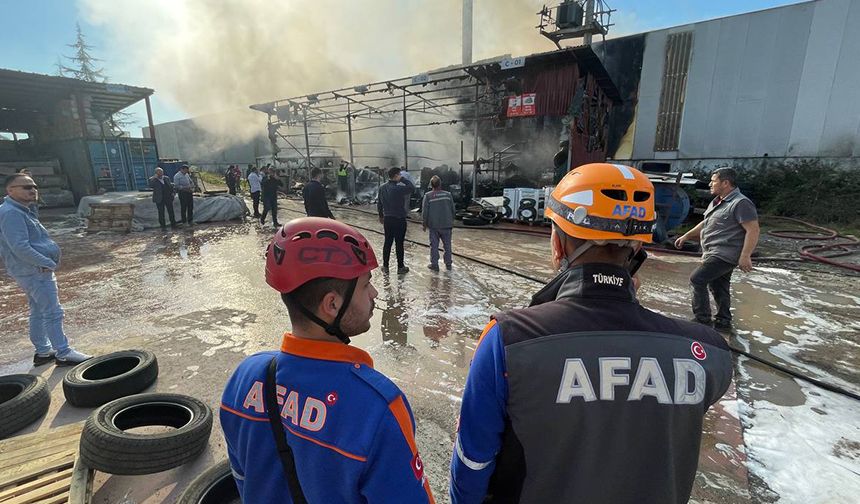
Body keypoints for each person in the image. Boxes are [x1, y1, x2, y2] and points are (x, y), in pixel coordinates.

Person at [450, 163, 733, 504]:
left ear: (558, 243)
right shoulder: (706, 353)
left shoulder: (509, 340)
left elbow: (473, 464)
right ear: (639, 248)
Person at [220, 218, 436, 504]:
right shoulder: (377, 408)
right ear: (332, 305)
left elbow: (243, 477)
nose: (374, 294)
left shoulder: (244, 378)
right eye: (365, 284)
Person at [0, 174, 92, 366]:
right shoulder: (11, 213)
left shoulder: (22, 210)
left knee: (38, 311)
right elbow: (20, 246)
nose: (32, 190)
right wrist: (47, 263)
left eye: (33, 186)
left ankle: (43, 351)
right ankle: (63, 352)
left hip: (32, 269)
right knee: (53, 312)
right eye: (26, 187)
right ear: (10, 190)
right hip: (35, 271)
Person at [674, 168, 760, 331]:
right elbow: (706, 223)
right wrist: (686, 236)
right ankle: (723, 320)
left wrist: (745, 255)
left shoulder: (741, 203)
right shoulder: (717, 201)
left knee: (696, 280)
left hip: (725, 254)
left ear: (725, 183)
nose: (710, 184)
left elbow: (753, 229)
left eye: (713, 181)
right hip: (713, 252)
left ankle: (702, 320)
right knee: (719, 285)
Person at [377, 167, 415, 274]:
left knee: (387, 242)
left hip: (388, 219)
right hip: (399, 219)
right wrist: (402, 179)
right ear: (396, 175)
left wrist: (381, 216)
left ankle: (385, 266)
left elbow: (379, 203)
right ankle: (400, 267)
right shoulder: (398, 188)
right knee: (399, 243)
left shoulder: (382, 188)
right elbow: (412, 187)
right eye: (399, 174)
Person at [421, 175, 454, 271]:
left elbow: (425, 212)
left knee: (434, 245)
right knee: (447, 245)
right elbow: (453, 209)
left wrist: (424, 223)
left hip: (434, 225)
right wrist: (451, 220)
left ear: (431, 185)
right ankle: (448, 264)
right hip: (447, 225)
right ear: (440, 184)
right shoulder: (448, 195)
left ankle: (434, 264)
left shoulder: (428, 196)